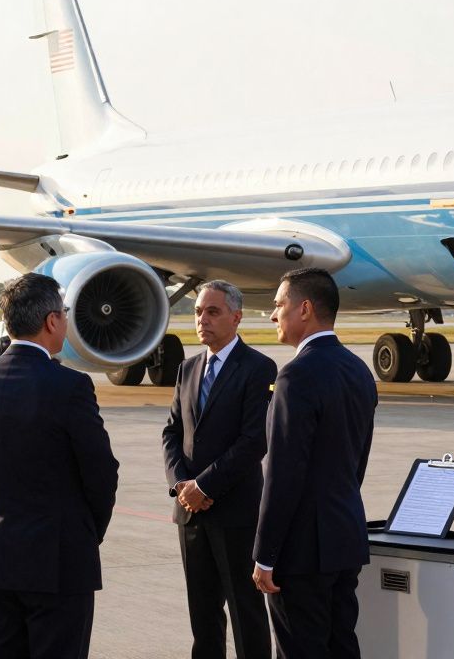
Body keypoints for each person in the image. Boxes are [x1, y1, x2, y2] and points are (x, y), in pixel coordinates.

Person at [0, 273, 119, 659]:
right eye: (63, 313)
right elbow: (102, 473)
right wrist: (86, 532)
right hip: (58, 560)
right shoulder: (70, 386)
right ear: (51, 321)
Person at [252, 268, 377, 658]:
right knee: (342, 646)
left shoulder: (296, 375)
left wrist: (265, 555)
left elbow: (283, 475)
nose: (273, 315)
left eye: (279, 305)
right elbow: (357, 463)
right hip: (345, 538)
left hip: (303, 551)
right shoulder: (359, 370)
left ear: (304, 309)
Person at [162, 280, 277, 659]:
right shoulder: (187, 369)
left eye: (212, 312)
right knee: (203, 615)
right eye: (198, 312)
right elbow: (172, 432)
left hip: (235, 513)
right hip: (191, 513)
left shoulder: (258, 368)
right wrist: (183, 484)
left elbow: (253, 441)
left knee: (246, 613)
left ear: (236, 317)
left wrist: (206, 486)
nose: (202, 320)